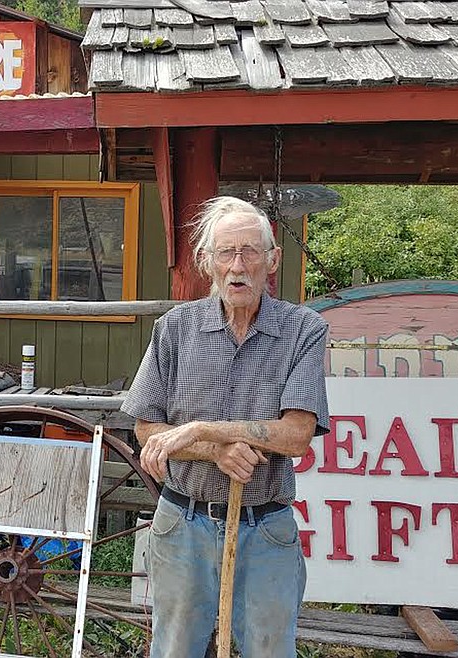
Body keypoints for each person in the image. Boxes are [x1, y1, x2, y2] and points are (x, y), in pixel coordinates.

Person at [120, 196, 330, 657]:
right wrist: (215, 451)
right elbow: (147, 429)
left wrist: (202, 430)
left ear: (272, 260)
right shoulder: (175, 329)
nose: (239, 265)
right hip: (183, 524)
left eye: (251, 252)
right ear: (207, 263)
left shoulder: (303, 330)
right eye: (226, 253)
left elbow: (295, 436)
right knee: (174, 650)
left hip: (265, 527)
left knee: (269, 651)